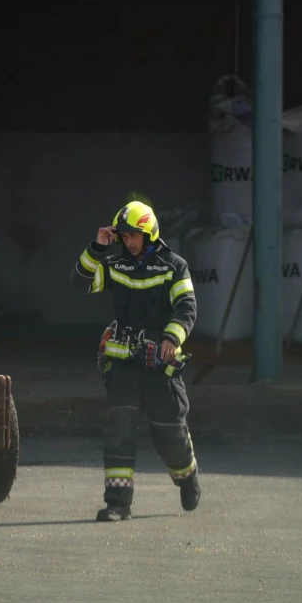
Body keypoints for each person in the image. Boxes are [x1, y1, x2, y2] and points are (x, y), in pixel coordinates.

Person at [70, 200, 201, 521]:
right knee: (120, 429)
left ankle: (187, 477)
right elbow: (80, 281)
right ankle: (118, 503)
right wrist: (98, 247)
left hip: (160, 364)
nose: (129, 241)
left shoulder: (174, 266)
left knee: (169, 434)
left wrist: (172, 337)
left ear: (150, 233)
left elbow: (186, 306)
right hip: (125, 364)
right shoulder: (116, 265)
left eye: (135, 235)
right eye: (124, 235)